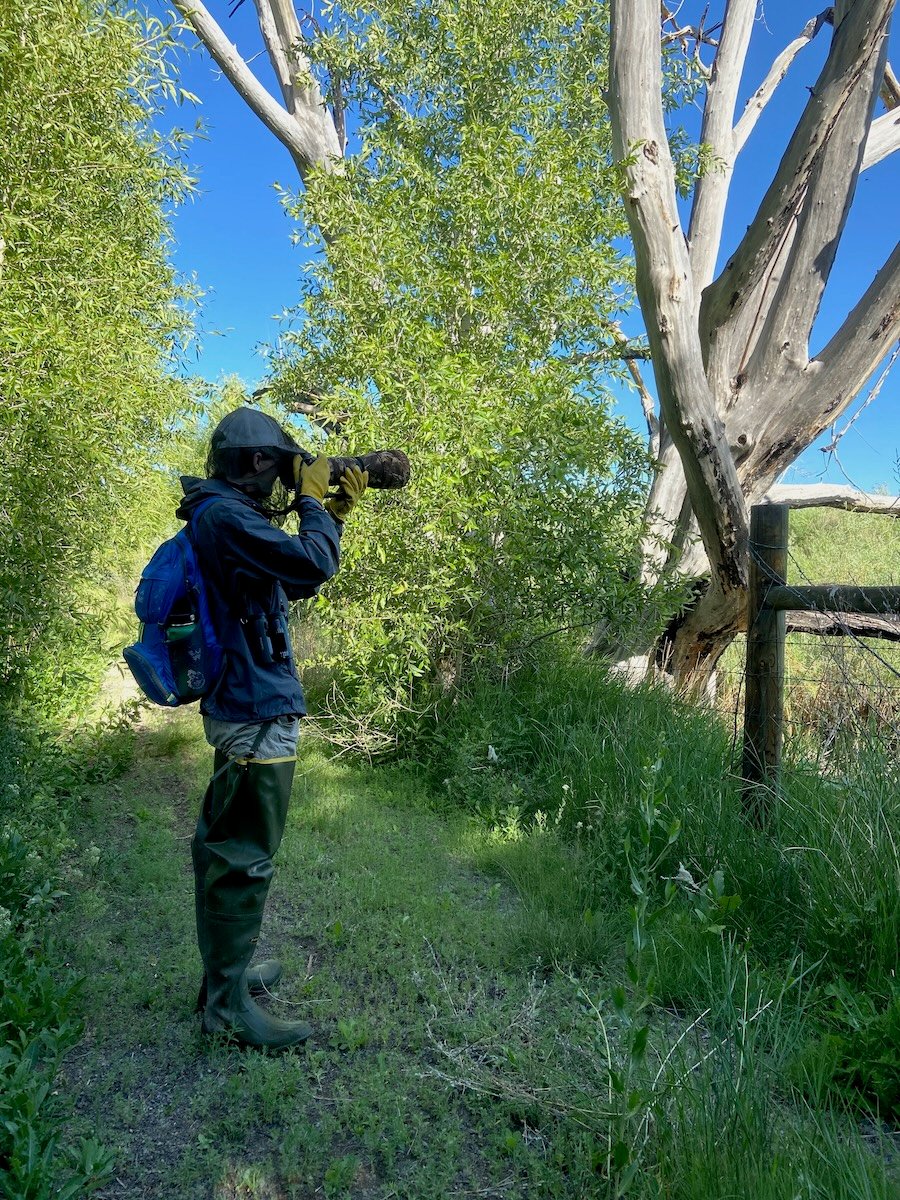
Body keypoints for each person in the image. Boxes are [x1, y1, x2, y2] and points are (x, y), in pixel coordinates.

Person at [176, 406, 367, 1049]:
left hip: (246, 701)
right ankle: (226, 1007)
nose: (290, 478)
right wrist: (316, 508)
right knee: (243, 860)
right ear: (258, 462)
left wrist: (330, 513)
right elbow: (314, 564)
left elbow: (295, 578)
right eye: (283, 464)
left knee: (228, 851)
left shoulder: (224, 517)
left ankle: (222, 981)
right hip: (254, 710)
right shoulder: (225, 516)